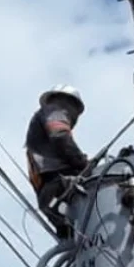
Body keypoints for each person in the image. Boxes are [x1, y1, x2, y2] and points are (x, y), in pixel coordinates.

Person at [25, 84, 89, 239]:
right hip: (60, 186)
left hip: (51, 196)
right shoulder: (55, 110)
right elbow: (60, 136)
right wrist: (83, 164)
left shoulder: (40, 122)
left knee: (79, 241)